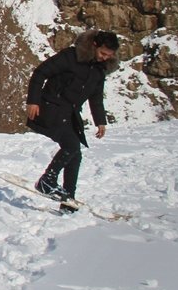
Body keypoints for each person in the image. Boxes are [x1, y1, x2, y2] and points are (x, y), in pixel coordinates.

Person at [26, 30, 120, 213]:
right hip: (49, 107)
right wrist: (33, 100)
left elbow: (96, 97)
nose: (104, 58)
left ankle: (68, 199)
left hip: (69, 113)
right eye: (103, 53)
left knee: (75, 154)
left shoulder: (100, 69)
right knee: (71, 146)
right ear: (94, 45)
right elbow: (40, 73)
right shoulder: (71, 56)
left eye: (109, 55)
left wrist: (100, 121)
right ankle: (47, 181)